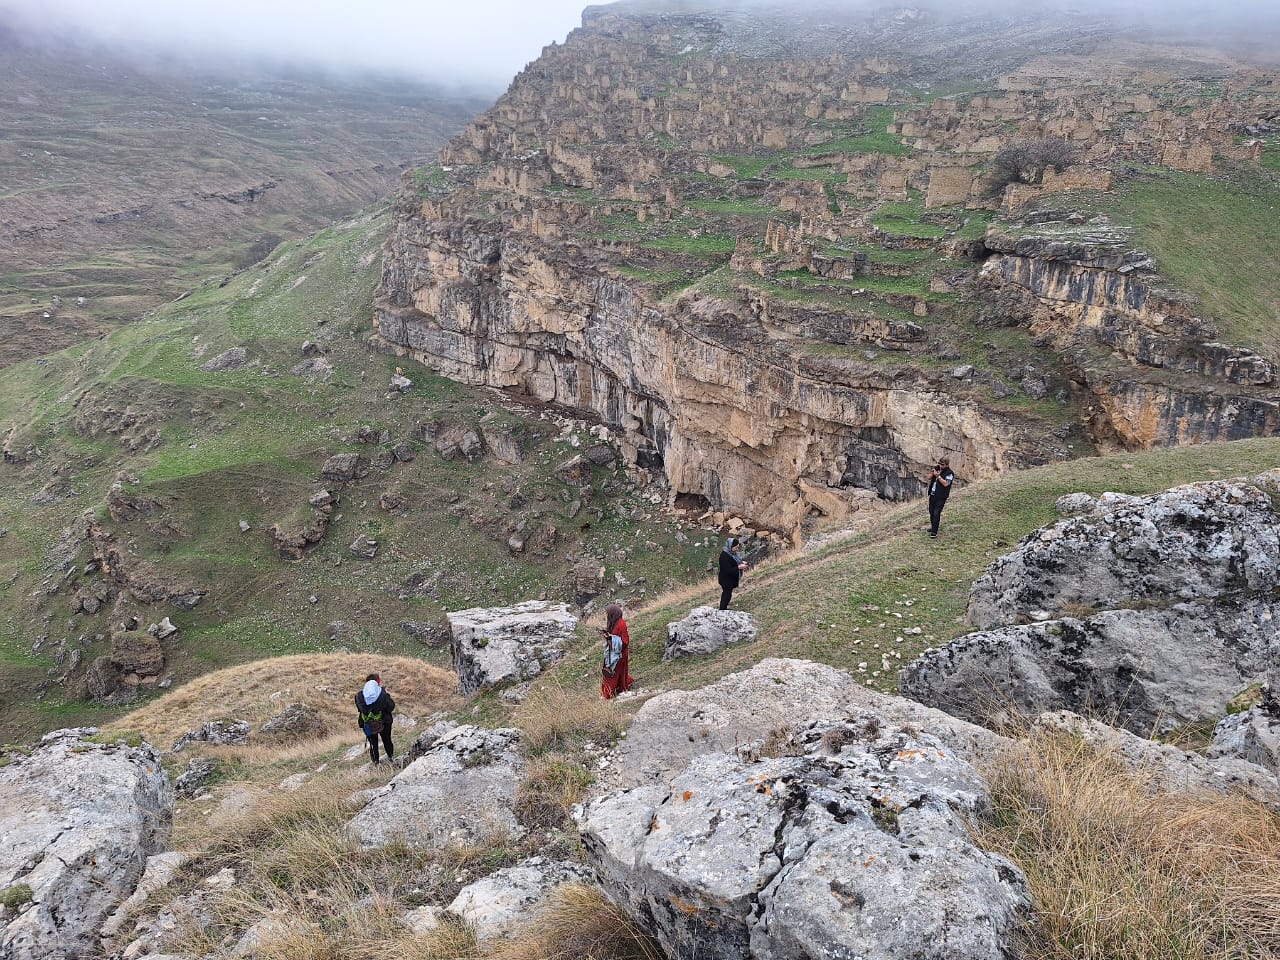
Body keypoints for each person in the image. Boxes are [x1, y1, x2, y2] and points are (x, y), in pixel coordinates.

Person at [355, 673, 395, 764]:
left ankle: (376, 762)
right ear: (378, 681)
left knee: (373, 744)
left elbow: (359, 709)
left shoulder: (359, 695)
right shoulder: (383, 694)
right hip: (384, 722)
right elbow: (391, 707)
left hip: (368, 723)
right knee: (387, 740)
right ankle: (390, 758)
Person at [600, 602, 634, 699]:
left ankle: (607, 694)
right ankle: (618, 688)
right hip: (612, 653)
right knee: (612, 672)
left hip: (618, 655)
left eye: (608, 614)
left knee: (612, 673)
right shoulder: (614, 622)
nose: (607, 616)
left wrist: (611, 638)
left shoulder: (621, 624)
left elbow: (625, 641)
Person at [926, 456, 955, 539]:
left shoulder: (949, 473)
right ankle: (933, 527)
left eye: (942, 464)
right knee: (931, 511)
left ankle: (934, 532)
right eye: (939, 463)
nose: (940, 465)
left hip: (941, 496)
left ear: (947, 464)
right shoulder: (937, 469)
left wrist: (938, 476)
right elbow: (928, 478)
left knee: (936, 513)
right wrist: (933, 473)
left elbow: (946, 484)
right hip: (933, 494)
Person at [718, 537, 748, 610]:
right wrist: (739, 567)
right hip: (726, 580)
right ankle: (722, 609)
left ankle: (723, 608)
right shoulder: (724, 556)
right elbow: (727, 570)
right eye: (736, 547)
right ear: (730, 546)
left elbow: (734, 562)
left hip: (730, 579)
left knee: (728, 594)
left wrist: (741, 563)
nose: (737, 549)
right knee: (726, 594)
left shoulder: (732, 554)